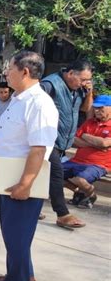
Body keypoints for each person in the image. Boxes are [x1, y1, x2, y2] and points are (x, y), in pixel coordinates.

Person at [0, 51, 58, 281]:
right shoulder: (19, 99)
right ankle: (23, 275)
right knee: (14, 233)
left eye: (10, 68)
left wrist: (25, 184)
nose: (6, 73)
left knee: (16, 233)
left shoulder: (39, 103)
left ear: (25, 71)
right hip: (7, 175)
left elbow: (39, 148)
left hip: (22, 180)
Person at [40, 60, 93, 229]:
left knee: (43, 175)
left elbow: (86, 109)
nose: (84, 83)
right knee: (56, 175)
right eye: (83, 79)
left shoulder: (78, 90)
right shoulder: (50, 84)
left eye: (87, 80)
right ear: (70, 73)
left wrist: (89, 92)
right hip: (48, 140)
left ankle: (32, 207)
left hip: (63, 141)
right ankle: (62, 214)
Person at [64, 95, 110, 209]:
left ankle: (91, 195)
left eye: (101, 108)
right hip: (77, 161)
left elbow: (104, 144)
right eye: (95, 108)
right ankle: (80, 192)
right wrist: (95, 143)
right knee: (53, 174)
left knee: (81, 179)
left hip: (99, 165)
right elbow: (74, 139)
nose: (97, 111)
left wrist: (85, 136)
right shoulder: (90, 122)